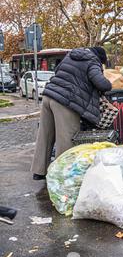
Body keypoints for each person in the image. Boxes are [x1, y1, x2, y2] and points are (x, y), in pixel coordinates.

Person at [31, 47, 112, 180]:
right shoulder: (92, 61)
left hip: (48, 96)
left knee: (45, 135)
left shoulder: (71, 56)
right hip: (65, 102)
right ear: (100, 58)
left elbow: (57, 71)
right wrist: (109, 83)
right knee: (66, 140)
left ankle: (39, 171)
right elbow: (101, 83)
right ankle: (61, 176)